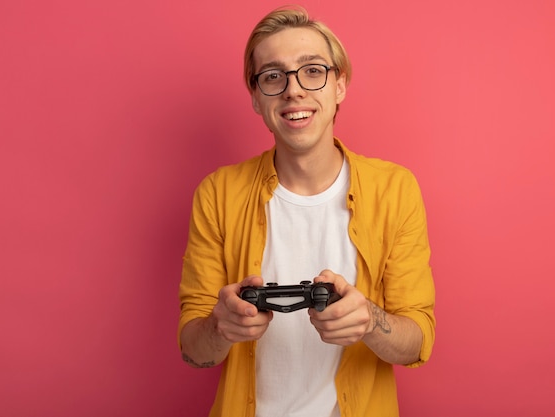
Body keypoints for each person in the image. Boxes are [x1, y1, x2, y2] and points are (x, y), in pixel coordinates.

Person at [178, 6, 435, 417]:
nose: (293, 91)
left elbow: (418, 341)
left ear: (340, 86)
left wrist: (368, 319)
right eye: (273, 76)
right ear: (256, 99)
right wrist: (219, 327)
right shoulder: (217, 194)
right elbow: (193, 351)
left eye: (312, 70)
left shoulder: (395, 190)